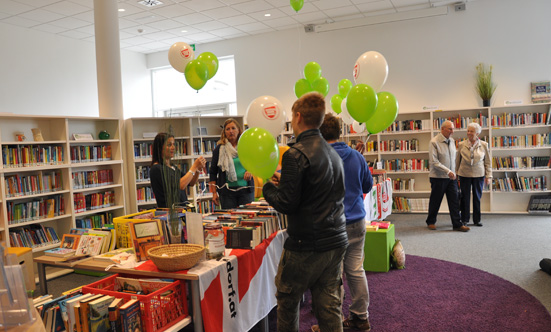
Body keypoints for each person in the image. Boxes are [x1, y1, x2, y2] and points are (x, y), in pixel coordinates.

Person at [263, 92, 348, 332]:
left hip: (306, 244)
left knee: (288, 302)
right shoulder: (335, 154)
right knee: (329, 304)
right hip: (336, 240)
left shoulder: (295, 153)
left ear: (298, 117)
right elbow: (321, 191)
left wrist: (267, 188)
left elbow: (286, 203)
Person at [311, 113, 373, 332]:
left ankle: (331, 323)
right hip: (357, 221)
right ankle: (361, 317)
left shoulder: (318, 158)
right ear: (340, 132)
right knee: (356, 270)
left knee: (331, 275)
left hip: (332, 225)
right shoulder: (357, 156)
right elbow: (367, 186)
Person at [426, 120, 469, 232]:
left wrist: (454, 172)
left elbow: (453, 160)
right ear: (442, 129)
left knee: (454, 200)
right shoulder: (434, 142)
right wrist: (448, 171)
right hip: (438, 177)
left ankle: (457, 224)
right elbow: (433, 162)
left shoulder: (452, 141)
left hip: (451, 178)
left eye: (453, 129)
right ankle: (431, 222)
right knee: (436, 200)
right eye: (450, 129)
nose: (452, 131)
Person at [150, 132, 206, 208]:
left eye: (174, 144)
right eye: (169, 145)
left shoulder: (172, 167)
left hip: (181, 210)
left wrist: (198, 169)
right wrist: (194, 166)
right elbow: (181, 185)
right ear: (160, 148)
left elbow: (191, 182)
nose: (173, 148)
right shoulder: (156, 169)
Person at [209, 118, 254, 209]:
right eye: (228, 129)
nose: (231, 131)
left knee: (247, 219)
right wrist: (214, 193)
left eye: (233, 128)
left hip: (245, 190)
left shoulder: (246, 146)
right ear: (224, 132)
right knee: (229, 220)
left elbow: (255, 164)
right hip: (227, 193)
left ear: (238, 130)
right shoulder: (219, 149)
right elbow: (213, 172)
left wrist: (250, 170)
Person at [456, 122, 491, 226]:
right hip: (464, 174)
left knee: (477, 197)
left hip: (479, 175)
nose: (469, 133)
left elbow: (488, 162)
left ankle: (477, 220)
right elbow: (457, 160)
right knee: (464, 197)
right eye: (468, 131)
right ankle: (464, 219)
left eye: (471, 131)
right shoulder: (461, 144)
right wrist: (456, 175)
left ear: (477, 133)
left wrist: (488, 176)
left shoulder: (484, 145)